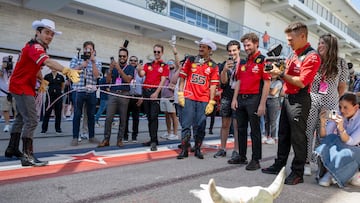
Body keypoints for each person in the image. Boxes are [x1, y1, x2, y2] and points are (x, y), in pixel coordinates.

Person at [4, 18, 80, 167]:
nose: (50, 37)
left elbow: (35, 67)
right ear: (38, 32)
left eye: (52, 34)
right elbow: (47, 62)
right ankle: (27, 156)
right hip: (22, 86)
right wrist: (66, 70)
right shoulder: (36, 47)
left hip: (22, 85)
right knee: (32, 120)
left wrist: (41, 80)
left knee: (21, 118)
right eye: (47, 33)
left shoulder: (33, 46)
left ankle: (12, 148)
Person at [261, 22, 321, 185]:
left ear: (302, 36)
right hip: (287, 98)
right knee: (283, 135)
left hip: (300, 100)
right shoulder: (293, 54)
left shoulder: (312, 56)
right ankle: (279, 165)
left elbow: (301, 82)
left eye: (291, 39)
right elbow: (285, 74)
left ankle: (297, 173)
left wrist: (280, 73)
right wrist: (276, 72)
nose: (288, 42)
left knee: (298, 137)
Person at [304, 34, 349, 176]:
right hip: (312, 100)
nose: (319, 45)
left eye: (323, 43)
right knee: (307, 131)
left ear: (331, 45)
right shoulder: (314, 59)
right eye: (319, 43)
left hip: (331, 103)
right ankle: (305, 162)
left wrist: (335, 101)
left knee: (324, 134)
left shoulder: (341, 63)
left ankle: (320, 163)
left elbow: (342, 86)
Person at [231, 33, 271, 171]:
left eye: (248, 45)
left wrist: (262, 104)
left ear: (256, 44)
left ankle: (256, 159)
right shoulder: (243, 62)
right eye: (244, 45)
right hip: (241, 99)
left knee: (255, 131)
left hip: (254, 99)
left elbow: (267, 83)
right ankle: (242, 156)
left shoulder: (263, 60)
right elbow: (239, 81)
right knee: (241, 129)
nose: (246, 48)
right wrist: (234, 98)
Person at [176, 37, 219, 159]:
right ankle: (184, 150)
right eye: (200, 46)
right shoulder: (190, 60)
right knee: (186, 124)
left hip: (203, 99)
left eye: (203, 47)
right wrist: (180, 94)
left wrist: (211, 101)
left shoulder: (214, 66)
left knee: (200, 125)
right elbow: (182, 78)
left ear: (209, 50)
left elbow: (213, 85)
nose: (200, 49)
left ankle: (198, 149)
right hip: (189, 97)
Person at [315, 93, 360, 187]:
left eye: (345, 107)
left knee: (348, 150)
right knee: (329, 141)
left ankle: (334, 173)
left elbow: (352, 142)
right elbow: (325, 136)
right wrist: (323, 123)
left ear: (356, 107)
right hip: (345, 144)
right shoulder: (339, 113)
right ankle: (332, 172)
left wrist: (341, 128)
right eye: (340, 107)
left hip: (356, 148)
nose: (342, 110)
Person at [98, 48, 135, 147]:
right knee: (108, 117)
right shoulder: (113, 67)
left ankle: (120, 139)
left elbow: (128, 80)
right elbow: (108, 81)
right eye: (120, 56)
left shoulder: (131, 68)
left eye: (124, 56)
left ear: (127, 57)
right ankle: (106, 139)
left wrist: (119, 69)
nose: (122, 58)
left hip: (124, 94)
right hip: (113, 93)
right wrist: (110, 69)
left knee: (123, 118)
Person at [213, 40, 241, 162]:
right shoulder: (224, 64)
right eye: (230, 51)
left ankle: (236, 150)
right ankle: (223, 148)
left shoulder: (243, 63)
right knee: (225, 124)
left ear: (239, 50)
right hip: (226, 96)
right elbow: (223, 82)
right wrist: (224, 70)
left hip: (238, 97)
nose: (232, 53)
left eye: (234, 50)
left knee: (236, 125)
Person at [70, 41, 101, 146]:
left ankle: (91, 136)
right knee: (77, 114)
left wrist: (92, 62)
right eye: (86, 49)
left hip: (91, 91)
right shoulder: (76, 58)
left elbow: (97, 76)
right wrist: (81, 65)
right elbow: (70, 71)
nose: (88, 51)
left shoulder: (97, 61)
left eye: (90, 49)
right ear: (83, 50)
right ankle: (75, 137)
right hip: (78, 90)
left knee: (91, 115)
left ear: (93, 51)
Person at [139, 44, 169, 151]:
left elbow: (163, 81)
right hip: (146, 92)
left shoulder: (164, 66)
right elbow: (142, 74)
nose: (156, 53)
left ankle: (153, 141)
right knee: (149, 117)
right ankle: (153, 139)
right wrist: (139, 68)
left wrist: (156, 93)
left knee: (153, 117)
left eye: (158, 52)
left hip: (155, 93)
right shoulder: (148, 65)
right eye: (155, 51)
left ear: (162, 53)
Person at [124, 56, 144, 143]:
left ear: (137, 62)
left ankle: (134, 136)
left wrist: (142, 97)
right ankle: (125, 135)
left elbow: (145, 86)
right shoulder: (127, 70)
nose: (133, 62)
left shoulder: (141, 73)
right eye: (131, 60)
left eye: (135, 61)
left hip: (137, 97)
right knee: (125, 117)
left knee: (136, 118)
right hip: (128, 96)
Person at [159, 59, 179, 141]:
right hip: (163, 96)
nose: (170, 64)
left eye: (171, 63)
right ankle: (168, 132)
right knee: (166, 116)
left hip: (171, 97)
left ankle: (175, 134)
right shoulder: (165, 72)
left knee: (173, 116)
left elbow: (175, 84)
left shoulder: (175, 73)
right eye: (169, 63)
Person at [40, 69, 65, 134]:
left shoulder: (60, 77)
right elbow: (44, 86)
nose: (53, 69)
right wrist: (45, 89)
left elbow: (63, 86)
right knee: (47, 112)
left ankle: (58, 128)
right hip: (50, 97)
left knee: (58, 113)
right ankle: (44, 129)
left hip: (58, 97)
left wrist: (60, 91)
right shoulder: (47, 76)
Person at [264, 76, 282, 144]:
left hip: (274, 100)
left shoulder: (278, 82)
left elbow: (273, 93)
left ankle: (273, 137)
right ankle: (266, 135)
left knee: (273, 120)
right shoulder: (268, 81)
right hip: (266, 99)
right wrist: (270, 89)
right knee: (266, 120)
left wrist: (267, 89)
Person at [0, 56, 15, 132]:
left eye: (8, 63)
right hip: (3, 93)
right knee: (5, 109)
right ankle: (7, 125)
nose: (7, 64)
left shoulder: (13, 70)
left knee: (17, 109)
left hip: (14, 92)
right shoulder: (1, 69)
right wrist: (2, 68)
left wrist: (11, 69)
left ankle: (16, 124)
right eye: (5, 62)